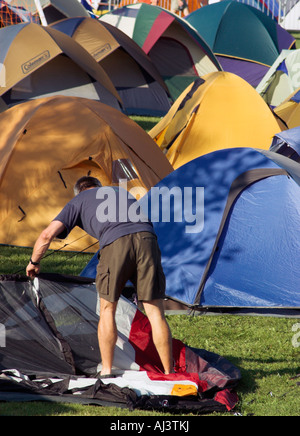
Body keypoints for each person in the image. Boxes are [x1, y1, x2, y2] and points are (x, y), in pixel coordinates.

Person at [26, 176, 173, 376]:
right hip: (148, 239)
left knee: (107, 309)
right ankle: (170, 372)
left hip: (115, 243)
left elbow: (46, 235)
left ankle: (106, 370)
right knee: (155, 313)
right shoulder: (120, 192)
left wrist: (34, 262)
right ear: (99, 187)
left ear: (79, 191)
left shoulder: (77, 200)